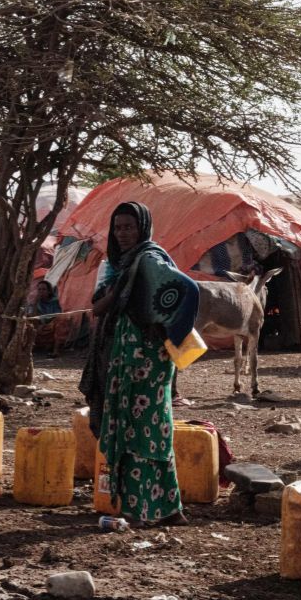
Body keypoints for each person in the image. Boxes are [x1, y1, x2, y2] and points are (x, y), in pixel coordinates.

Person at [80, 202, 198, 528]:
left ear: (143, 227)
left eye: (129, 227)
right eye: (117, 228)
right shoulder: (115, 265)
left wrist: (169, 325)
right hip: (120, 354)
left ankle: (155, 507)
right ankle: (151, 507)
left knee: (152, 428)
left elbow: (186, 289)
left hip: (149, 358)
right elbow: (99, 308)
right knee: (126, 425)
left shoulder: (149, 259)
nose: (123, 233)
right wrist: (120, 290)